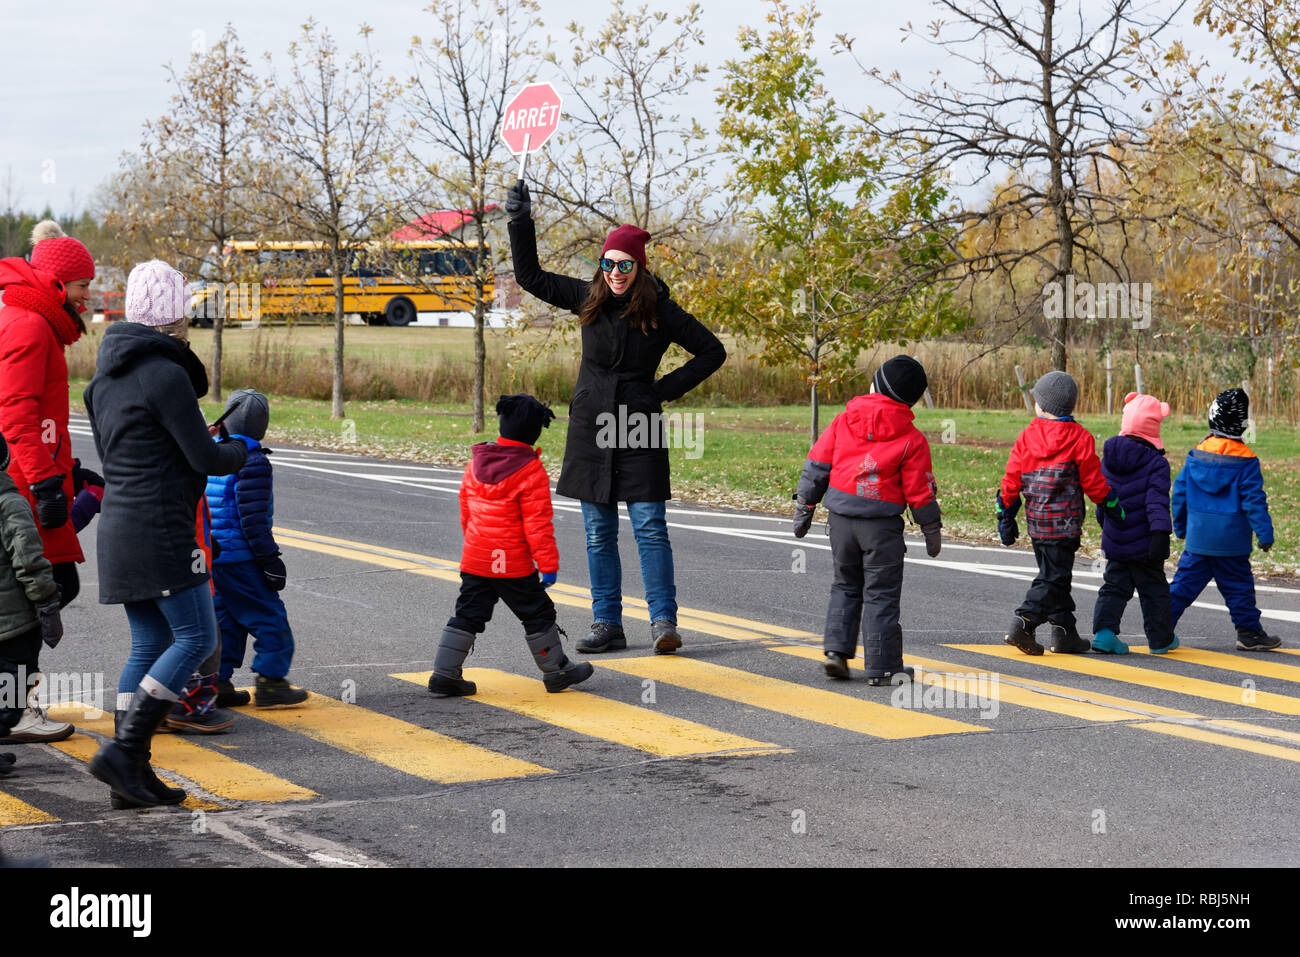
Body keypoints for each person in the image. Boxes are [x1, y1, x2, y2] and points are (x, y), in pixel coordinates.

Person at [505, 181, 725, 655]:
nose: (616, 273)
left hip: (639, 424)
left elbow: (712, 351)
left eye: (624, 265)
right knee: (598, 530)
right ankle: (607, 624)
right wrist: (520, 218)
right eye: (608, 265)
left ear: (638, 267)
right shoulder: (587, 297)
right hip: (591, 428)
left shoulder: (661, 309)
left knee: (649, 524)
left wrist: (660, 391)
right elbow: (529, 276)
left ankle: (663, 622)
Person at [83, 260, 249, 808]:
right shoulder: (165, 373)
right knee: (196, 639)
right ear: (176, 314)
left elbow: (129, 456)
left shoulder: (101, 380)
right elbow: (203, 457)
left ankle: (133, 774)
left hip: (120, 527)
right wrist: (240, 448)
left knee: (150, 643)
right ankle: (125, 754)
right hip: (162, 528)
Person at [0, 222, 98, 742]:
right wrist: (42, 483)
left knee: (44, 593)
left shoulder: (35, 320)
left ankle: (15, 705)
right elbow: (14, 413)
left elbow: (40, 419)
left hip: (37, 475)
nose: (89, 295)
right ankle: (14, 710)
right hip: (24, 484)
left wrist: (66, 468)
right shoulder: (30, 326)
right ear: (58, 283)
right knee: (39, 596)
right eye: (83, 284)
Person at [428, 394, 593, 696]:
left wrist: (477, 546)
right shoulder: (531, 471)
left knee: (468, 613)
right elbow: (538, 525)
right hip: (512, 564)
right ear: (535, 433)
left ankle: (444, 674)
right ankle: (556, 671)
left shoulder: (475, 463)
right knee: (538, 613)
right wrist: (548, 566)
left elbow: (466, 512)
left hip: (477, 560)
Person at [793, 357, 943, 684]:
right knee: (881, 594)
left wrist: (805, 505)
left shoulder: (843, 421)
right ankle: (882, 666)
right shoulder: (911, 438)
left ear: (876, 384)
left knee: (845, 585)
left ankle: (836, 652)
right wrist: (931, 529)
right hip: (881, 527)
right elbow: (920, 490)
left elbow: (816, 465)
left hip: (841, 520)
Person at [997, 371, 1125, 655]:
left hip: (1037, 523)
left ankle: (1064, 631)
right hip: (1065, 526)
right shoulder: (1080, 437)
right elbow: (1094, 482)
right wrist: (1111, 504)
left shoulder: (1027, 436)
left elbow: (1011, 479)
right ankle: (1024, 621)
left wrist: (1005, 512)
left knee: (1056, 575)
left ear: (1042, 406)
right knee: (1053, 578)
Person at [206, 389, 308, 708]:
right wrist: (269, 558)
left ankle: (217, 681)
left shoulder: (212, 452)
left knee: (226, 619)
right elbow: (252, 517)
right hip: (242, 557)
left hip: (216, 555)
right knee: (269, 616)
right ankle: (271, 681)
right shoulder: (253, 460)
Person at [1168, 388, 1280, 651]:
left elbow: (1179, 494)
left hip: (1198, 541)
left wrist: (1181, 527)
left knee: (1182, 588)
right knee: (1240, 590)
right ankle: (1249, 634)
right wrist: (1265, 534)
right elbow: (1254, 501)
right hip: (1232, 544)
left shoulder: (1196, 454)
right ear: (1242, 424)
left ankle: (1159, 627)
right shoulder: (1247, 461)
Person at [1091, 392, 1176, 655]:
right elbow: (1156, 503)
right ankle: (1161, 639)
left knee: (1114, 587)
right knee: (1154, 590)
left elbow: (1102, 499)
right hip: (1146, 543)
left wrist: (1106, 524)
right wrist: (1161, 534)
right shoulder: (1156, 464)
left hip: (1116, 538)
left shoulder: (1108, 460)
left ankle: (1104, 634)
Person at [0, 431, 64, 776]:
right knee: (12, 686)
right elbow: (28, 558)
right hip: (12, 620)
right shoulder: (9, 501)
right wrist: (46, 598)